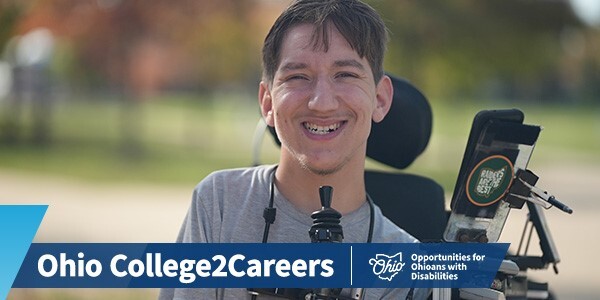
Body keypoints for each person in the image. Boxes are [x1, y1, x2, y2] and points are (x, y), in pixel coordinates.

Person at [159, 0, 428, 299]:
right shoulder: (220, 204)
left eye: (346, 75)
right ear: (268, 103)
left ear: (379, 99)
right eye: (298, 76)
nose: (321, 102)